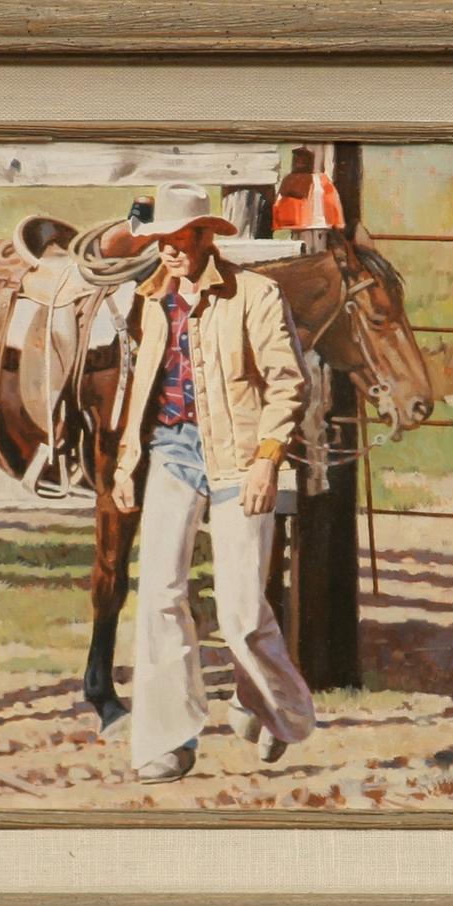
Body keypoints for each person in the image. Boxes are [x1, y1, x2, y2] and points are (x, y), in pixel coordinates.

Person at [112, 181, 317, 783]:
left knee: (241, 613)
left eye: (180, 239)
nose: (170, 251)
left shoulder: (255, 294)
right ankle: (168, 739)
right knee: (159, 594)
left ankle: (280, 710)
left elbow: (287, 382)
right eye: (162, 240)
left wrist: (267, 458)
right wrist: (126, 463)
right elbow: (141, 389)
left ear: (205, 236)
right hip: (172, 451)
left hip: (239, 456)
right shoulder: (151, 300)